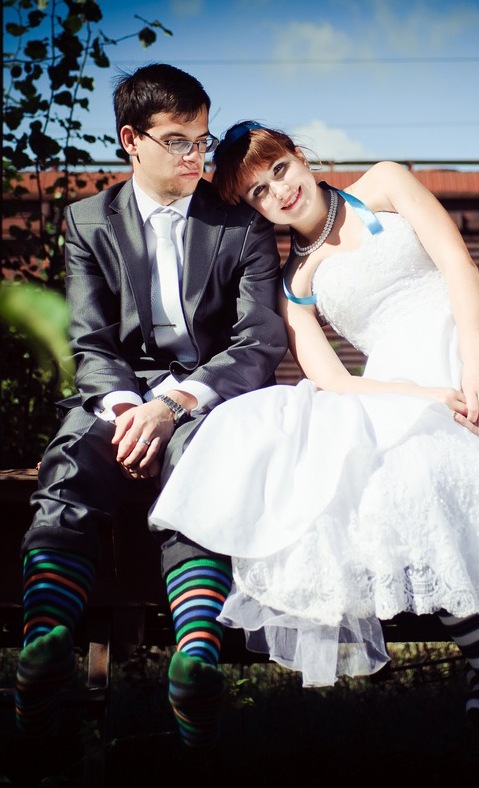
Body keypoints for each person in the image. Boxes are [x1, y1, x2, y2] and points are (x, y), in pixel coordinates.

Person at [149, 120, 479, 783]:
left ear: (300, 157)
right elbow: (336, 381)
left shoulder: (384, 182)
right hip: (404, 383)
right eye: (259, 192)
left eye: (280, 170)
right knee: (408, 490)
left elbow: (457, 263)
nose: (279, 192)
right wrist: (426, 396)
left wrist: (476, 359)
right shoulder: (294, 281)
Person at [15, 84, 287, 753]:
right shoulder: (89, 220)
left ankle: (196, 659)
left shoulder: (242, 223)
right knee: (71, 459)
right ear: (131, 141)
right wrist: (128, 411)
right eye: (177, 140)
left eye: (202, 139)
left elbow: (258, 341)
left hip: (205, 398)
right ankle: (43, 644)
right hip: (119, 395)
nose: (196, 155)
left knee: (201, 465)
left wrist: (173, 406)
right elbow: (90, 342)